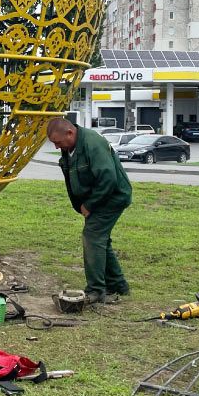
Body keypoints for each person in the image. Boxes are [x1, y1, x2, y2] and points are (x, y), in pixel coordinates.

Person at [46, 117, 133, 304]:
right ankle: (118, 285)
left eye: (57, 142)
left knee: (92, 236)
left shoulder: (93, 144)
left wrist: (89, 205)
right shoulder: (69, 146)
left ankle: (96, 290)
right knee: (101, 240)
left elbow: (108, 179)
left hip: (112, 197)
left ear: (70, 132)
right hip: (99, 197)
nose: (56, 147)